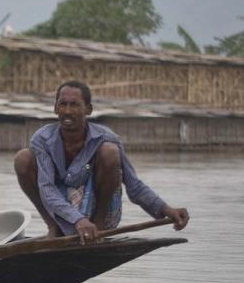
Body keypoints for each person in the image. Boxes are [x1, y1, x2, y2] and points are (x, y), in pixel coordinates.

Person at [14, 80, 189, 244]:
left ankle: (99, 227)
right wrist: (78, 219)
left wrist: (166, 209)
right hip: (59, 210)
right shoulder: (42, 139)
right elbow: (47, 189)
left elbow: (133, 184)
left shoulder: (106, 137)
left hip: (97, 207)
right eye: (63, 104)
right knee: (23, 159)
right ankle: (54, 227)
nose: (67, 111)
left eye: (74, 104)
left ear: (88, 109)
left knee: (110, 152)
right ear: (55, 108)